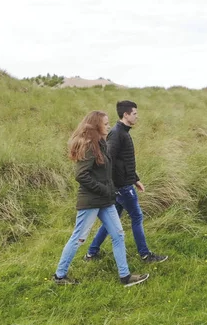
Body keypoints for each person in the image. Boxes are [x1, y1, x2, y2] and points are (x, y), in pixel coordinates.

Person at [53, 110, 149, 287]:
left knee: (118, 235)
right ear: (96, 125)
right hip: (91, 201)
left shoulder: (101, 144)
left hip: (105, 200)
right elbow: (81, 175)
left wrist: (123, 184)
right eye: (105, 123)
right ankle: (59, 276)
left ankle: (125, 276)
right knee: (78, 238)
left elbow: (107, 171)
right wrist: (104, 189)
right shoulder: (89, 146)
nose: (108, 126)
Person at [85, 100, 168, 263]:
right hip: (122, 187)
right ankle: (145, 255)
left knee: (111, 220)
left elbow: (124, 162)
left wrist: (135, 179)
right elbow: (109, 160)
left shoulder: (123, 132)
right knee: (137, 217)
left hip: (123, 184)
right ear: (126, 114)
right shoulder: (117, 133)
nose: (137, 117)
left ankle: (91, 253)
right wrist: (116, 186)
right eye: (135, 114)